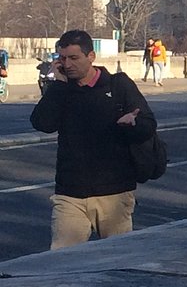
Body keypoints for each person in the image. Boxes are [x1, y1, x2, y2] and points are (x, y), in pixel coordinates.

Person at [29, 30, 157, 249]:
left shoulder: (118, 85)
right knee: (61, 262)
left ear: (91, 57)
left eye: (74, 58)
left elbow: (148, 124)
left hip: (114, 193)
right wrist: (57, 86)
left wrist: (132, 124)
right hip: (70, 193)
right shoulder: (62, 90)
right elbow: (43, 123)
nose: (67, 64)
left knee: (115, 261)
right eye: (62, 58)